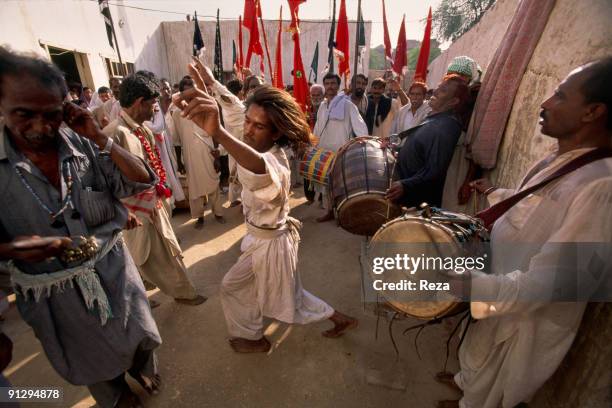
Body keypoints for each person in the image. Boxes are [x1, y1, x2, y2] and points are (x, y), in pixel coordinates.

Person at [436, 58, 612, 408]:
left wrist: (467, 284)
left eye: (560, 96)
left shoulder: (601, 186)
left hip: (523, 321)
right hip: (499, 292)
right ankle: (464, 386)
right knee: (475, 357)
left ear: (593, 112)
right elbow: (531, 208)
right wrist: (495, 195)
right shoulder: (562, 158)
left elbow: (553, 285)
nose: (545, 103)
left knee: (497, 390)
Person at [0, 47, 161, 407]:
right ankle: (116, 397)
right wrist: (12, 250)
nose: (41, 127)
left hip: (114, 272)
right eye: (24, 114)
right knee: (88, 358)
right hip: (53, 295)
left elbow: (140, 180)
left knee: (137, 334)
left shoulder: (84, 142)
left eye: (52, 114)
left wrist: (100, 137)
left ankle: (142, 369)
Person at [177, 64, 358, 353]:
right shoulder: (251, 136)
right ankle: (253, 337)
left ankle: (335, 320)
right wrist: (213, 84)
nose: (248, 129)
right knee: (236, 287)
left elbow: (258, 168)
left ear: (276, 134)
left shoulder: (276, 163)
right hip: (259, 241)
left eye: (258, 126)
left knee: (291, 304)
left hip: (272, 246)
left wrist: (220, 134)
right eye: (249, 122)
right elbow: (237, 112)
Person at [103, 71, 205, 305]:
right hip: (135, 212)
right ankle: (183, 293)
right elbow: (104, 181)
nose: (155, 109)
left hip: (154, 204)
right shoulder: (114, 134)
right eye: (153, 104)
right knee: (156, 256)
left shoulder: (142, 129)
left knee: (163, 251)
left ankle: (153, 292)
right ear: (140, 103)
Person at [386, 75, 469, 208]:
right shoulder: (434, 118)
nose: (435, 91)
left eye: (443, 90)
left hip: (419, 204)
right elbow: (419, 150)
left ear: (453, 101)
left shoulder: (445, 127)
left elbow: (435, 170)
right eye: (438, 87)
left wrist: (405, 185)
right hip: (408, 196)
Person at [168, 75, 225, 228]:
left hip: (208, 152)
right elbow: (176, 139)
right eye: (186, 92)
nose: (190, 95)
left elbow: (216, 132)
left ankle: (218, 212)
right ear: (182, 93)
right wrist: (179, 160)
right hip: (189, 155)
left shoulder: (206, 106)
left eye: (192, 91)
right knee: (195, 188)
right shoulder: (176, 113)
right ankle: (199, 217)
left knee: (213, 182)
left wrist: (217, 152)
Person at [191, 59, 246, 209]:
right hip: (235, 153)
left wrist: (213, 82)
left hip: (249, 159)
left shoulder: (242, 111)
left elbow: (232, 103)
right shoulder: (232, 111)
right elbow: (230, 134)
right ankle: (238, 200)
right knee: (236, 177)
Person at [313, 73, 368, 222]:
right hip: (323, 151)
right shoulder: (323, 106)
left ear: (338, 86)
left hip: (340, 151)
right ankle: (329, 211)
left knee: (341, 183)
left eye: (333, 83)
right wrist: (313, 145)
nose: (330, 86)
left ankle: (342, 213)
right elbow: (318, 128)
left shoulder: (348, 104)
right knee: (325, 184)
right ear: (324, 86)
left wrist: (357, 145)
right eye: (327, 83)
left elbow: (360, 127)